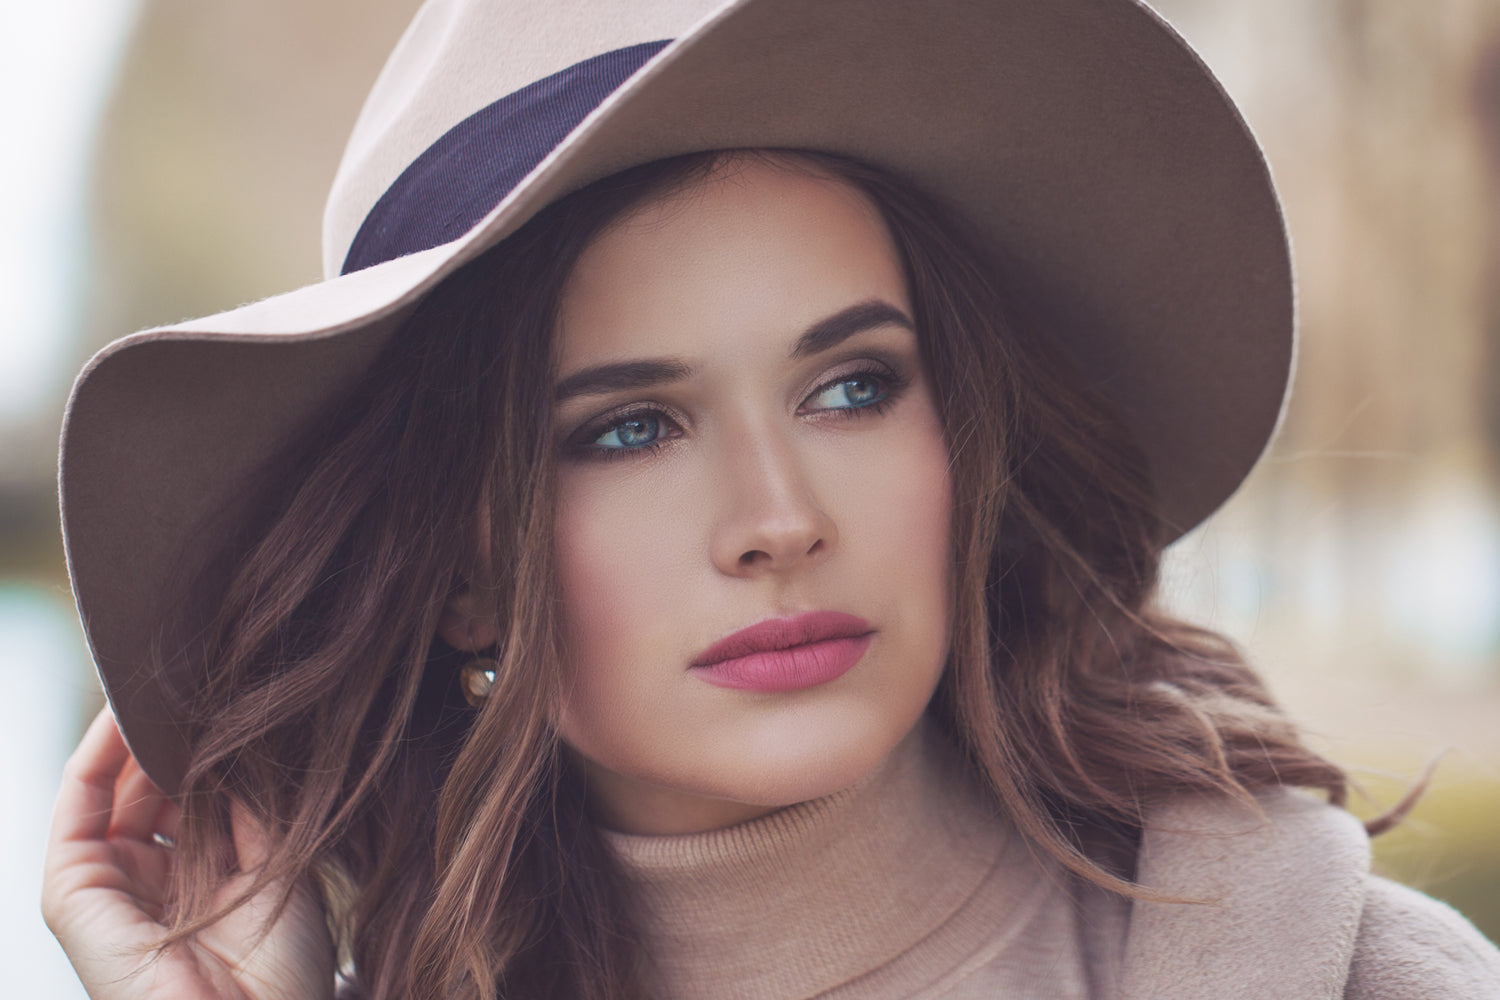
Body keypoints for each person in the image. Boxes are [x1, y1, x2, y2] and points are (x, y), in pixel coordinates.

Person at [41, 0, 1500, 998]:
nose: (778, 517)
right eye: (627, 428)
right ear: (460, 573)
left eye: (853, 387)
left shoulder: (1353, 974)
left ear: (965, 453)